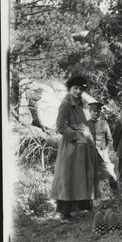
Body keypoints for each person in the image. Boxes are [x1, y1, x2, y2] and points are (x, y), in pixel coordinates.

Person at [51, 76, 101, 224]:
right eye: (75, 88)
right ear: (69, 88)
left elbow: (83, 124)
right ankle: (64, 214)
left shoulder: (79, 104)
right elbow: (60, 126)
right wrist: (76, 137)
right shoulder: (66, 104)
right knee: (68, 176)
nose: (78, 91)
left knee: (82, 176)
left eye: (81, 89)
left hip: (82, 146)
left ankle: (82, 206)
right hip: (71, 147)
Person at [86, 101, 118, 192]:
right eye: (94, 111)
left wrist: (106, 151)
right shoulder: (85, 125)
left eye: (98, 111)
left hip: (102, 157)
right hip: (89, 157)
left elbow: (110, 140)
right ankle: (89, 202)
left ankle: (115, 196)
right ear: (90, 111)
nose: (96, 113)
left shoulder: (104, 124)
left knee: (112, 176)